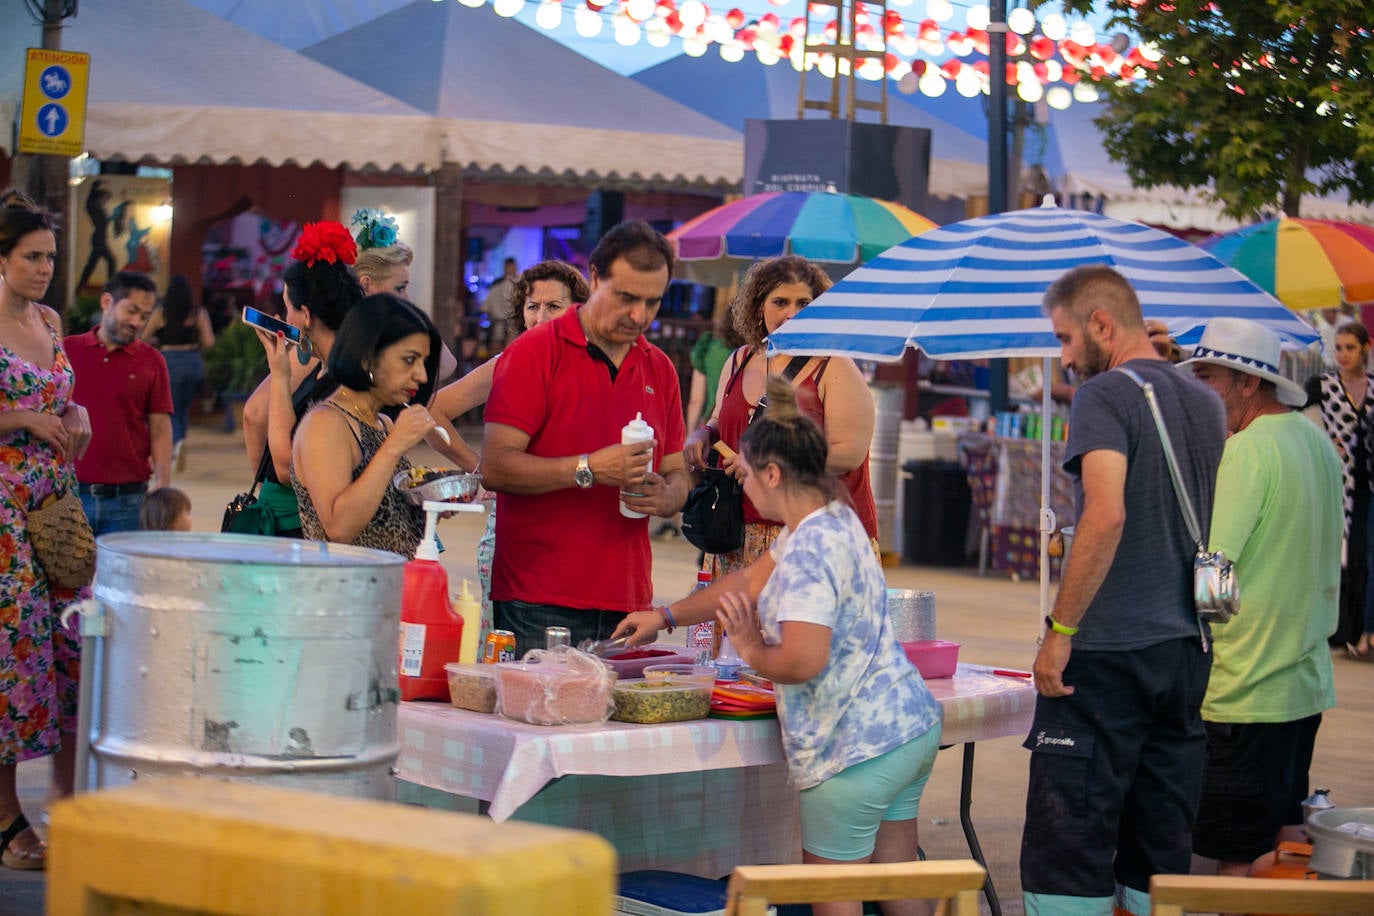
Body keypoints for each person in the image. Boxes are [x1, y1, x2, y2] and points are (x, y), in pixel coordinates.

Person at [613, 378, 943, 916]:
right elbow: (744, 584)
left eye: (743, 475)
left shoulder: (811, 548)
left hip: (852, 749)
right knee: (895, 873)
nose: (741, 488)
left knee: (833, 898)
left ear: (772, 473)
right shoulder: (829, 520)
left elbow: (801, 660)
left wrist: (750, 646)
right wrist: (665, 616)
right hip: (907, 729)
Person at [1021, 265, 1227, 916]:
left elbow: (1107, 515)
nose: (1062, 357)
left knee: (1068, 847)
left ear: (1101, 325)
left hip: (1106, 655)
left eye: (1064, 339)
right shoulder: (1205, 399)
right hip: (1185, 647)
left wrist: (1059, 634)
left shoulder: (1104, 396)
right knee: (1159, 846)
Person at [1180, 317, 1341, 882]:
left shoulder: (1247, 451)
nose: (1199, 388)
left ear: (1248, 384)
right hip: (1303, 681)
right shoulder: (1316, 441)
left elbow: (1215, 566)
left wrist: (1203, 636)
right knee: (1286, 836)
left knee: (1234, 854)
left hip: (1244, 686)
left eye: (1207, 376)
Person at [482, 222, 689, 657]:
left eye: (652, 301)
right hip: (538, 599)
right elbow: (497, 465)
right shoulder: (534, 352)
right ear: (594, 279)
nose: (639, 315)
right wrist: (589, 469)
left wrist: (668, 497)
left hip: (627, 603)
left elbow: (676, 471)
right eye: (627, 298)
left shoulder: (660, 368)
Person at [682, 255, 877, 583]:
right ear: (759, 308)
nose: (793, 312)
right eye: (780, 302)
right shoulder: (740, 360)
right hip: (737, 536)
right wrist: (702, 434)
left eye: (804, 302)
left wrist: (765, 463)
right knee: (737, 634)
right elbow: (722, 419)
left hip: (814, 541)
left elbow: (849, 453)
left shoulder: (834, 366)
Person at [0, 189, 93, 872]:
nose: (43, 268)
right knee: (11, 656)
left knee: (64, 650)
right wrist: (22, 420)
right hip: (2, 509)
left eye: (50, 257)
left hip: (53, 507)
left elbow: (62, 399)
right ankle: (7, 818)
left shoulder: (52, 320)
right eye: (31, 257)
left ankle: (65, 796)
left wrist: (75, 414)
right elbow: (30, 411)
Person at [429, 260, 590, 649]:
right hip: (511, 538)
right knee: (505, 651)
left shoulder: (592, 370)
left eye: (554, 306)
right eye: (533, 306)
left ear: (578, 311)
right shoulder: (509, 363)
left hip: (576, 537)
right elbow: (433, 413)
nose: (540, 316)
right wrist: (480, 470)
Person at [291, 293, 444, 556]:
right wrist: (394, 447)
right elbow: (339, 528)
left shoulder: (380, 422)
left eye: (423, 362)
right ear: (367, 358)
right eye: (409, 360)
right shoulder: (326, 424)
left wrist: (428, 503)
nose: (421, 375)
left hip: (391, 587)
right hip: (349, 590)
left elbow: (383, 518)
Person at [244, 221, 366, 538]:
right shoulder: (331, 368)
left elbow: (285, 468)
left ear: (307, 316)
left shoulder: (341, 381)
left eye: (288, 310)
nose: (285, 321)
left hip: (311, 538)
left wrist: (281, 375)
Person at [65, 271, 172, 536]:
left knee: (125, 577)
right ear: (106, 302)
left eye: (145, 316)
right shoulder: (66, 350)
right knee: (69, 577)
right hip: (70, 494)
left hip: (129, 499)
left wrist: (163, 479)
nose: (137, 322)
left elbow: (160, 426)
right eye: (131, 311)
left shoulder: (152, 361)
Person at [1303, 322, 1374, 657]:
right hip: (1337, 482)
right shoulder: (1324, 385)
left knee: (1362, 557)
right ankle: (1338, 630)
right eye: (1339, 348)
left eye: (1350, 348)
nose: (1343, 355)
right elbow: (1292, 412)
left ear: (1365, 348)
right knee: (1339, 554)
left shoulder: (1372, 387)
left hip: (1367, 485)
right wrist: (1321, 440)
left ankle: (1360, 630)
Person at [141, 274, 214, 471]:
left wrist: (158, 342)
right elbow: (209, 342)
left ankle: (176, 442)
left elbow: (143, 337)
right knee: (182, 407)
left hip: (168, 363)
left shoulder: (161, 312)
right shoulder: (197, 313)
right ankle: (179, 442)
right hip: (192, 363)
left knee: (170, 407)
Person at [686, 309, 744, 429]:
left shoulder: (709, 348)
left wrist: (690, 435)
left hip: (710, 426)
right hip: (741, 431)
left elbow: (696, 401)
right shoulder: (756, 355)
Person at [480, 256, 518, 352]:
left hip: (502, 326)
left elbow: (485, 308)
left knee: (498, 354)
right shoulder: (516, 286)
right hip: (506, 326)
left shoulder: (498, 285)